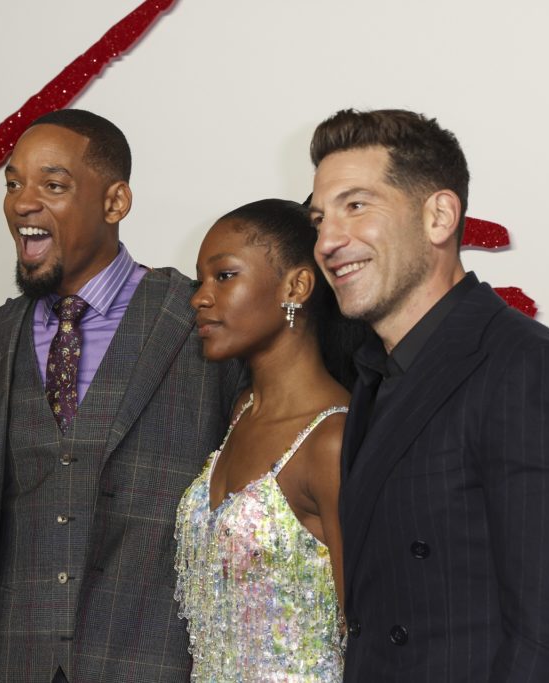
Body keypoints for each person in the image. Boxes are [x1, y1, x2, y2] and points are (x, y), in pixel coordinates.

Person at [307, 109, 549, 682]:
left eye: (356, 206)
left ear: (439, 217)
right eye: (319, 218)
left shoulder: (529, 372)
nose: (328, 241)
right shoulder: (376, 373)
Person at [0, 109, 243, 683]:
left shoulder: (199, 319)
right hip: (11, 662)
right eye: (13, 184)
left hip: (154, 662)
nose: (23, 203)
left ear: (115, 202)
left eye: (53, 185)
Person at [175, 199, 368, 681]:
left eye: (224, 276)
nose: (200, 298)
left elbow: (367, 633)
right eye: (200, 281)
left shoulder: (332, 439)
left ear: (296, 286)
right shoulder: (242, 411)